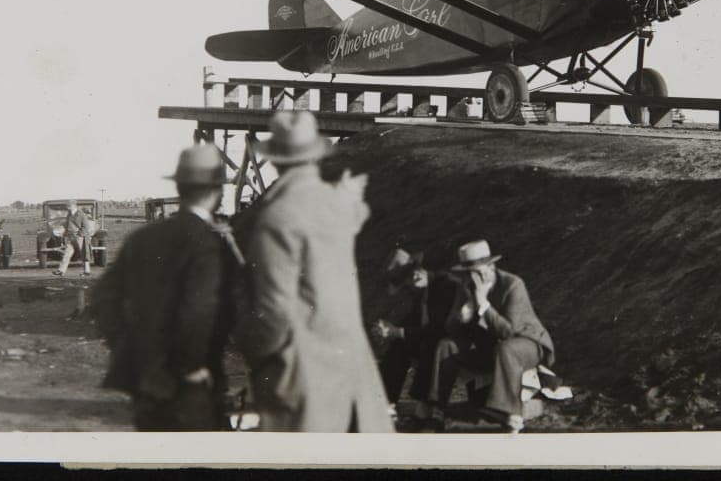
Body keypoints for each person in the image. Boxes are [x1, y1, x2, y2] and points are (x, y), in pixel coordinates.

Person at [235, 110, 392, 433]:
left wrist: (252, 349)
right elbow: (356, 211)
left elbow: (272, 314)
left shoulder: (278, 217)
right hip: (353, 371)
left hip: (305, 377)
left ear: (276, 161)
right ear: (315, 156)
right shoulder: (337, 203)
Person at [92, 143, 244, 431]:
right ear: (218, 192)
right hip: (190, 384)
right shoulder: (209, 243)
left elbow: (103, 297)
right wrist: (190, 368)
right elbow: (198, 311)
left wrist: (129, 347)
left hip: (144, 379)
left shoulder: (142, 237)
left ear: (180, 188)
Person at [424, 240, 555, 434]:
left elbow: (509, 332)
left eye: (478, 271)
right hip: (491, 345)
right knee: (447, 345)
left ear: (491, 266)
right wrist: (463, 316)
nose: (473, 277)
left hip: (527, 344)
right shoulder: (466, 287)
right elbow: (450, 329)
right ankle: (437, 409)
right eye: (468, 272)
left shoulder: (512, 284)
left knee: (507, 348)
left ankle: (511, 414)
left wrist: (484, 305)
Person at [370, 248, 461, 426]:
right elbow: (413, 322)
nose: (409, 286)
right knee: (399, 345)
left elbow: (438, 328)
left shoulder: (446, 285)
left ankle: (426, 407)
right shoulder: (423, 292)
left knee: (429, 342)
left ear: (418, 273)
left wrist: (399, 331)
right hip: (432, 338)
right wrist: (389, 331)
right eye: (405, 284)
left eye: (409, 280)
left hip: (451, 342)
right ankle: (386, 400)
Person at [54, 199, 92, 277]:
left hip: (80, 237)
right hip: (70, 237)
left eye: (69, 206)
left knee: (84, 254)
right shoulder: (69, 214)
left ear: (74, 205)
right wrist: (61, 230)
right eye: (67, 206)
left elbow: (86, 227)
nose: (67, 207)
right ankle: (61, 271)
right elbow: (67, 224)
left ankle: (86, 271)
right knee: (67, 254)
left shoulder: (81, 214)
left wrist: (80, 235)